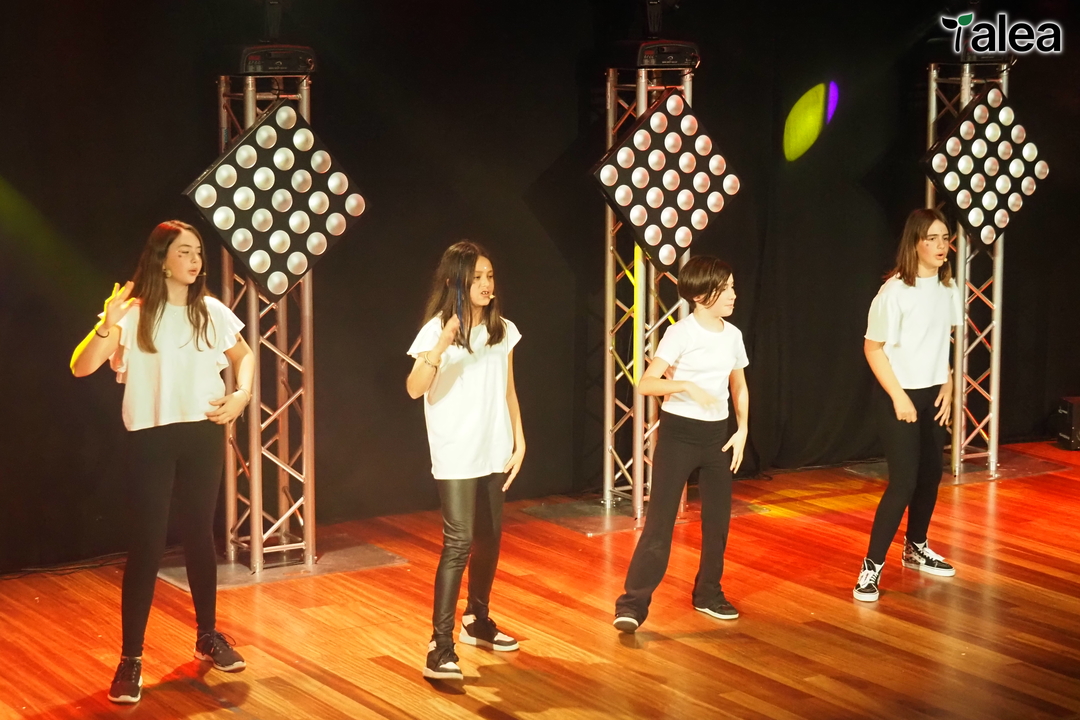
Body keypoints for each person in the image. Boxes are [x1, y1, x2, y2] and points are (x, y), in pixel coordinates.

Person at [70, 220, 254, 703]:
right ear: (162, 259)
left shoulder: (211, 310)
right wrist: (107, 323)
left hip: (203, 431)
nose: (195, 261)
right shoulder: (133, 314)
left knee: (200, 535)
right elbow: (82, 366)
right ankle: (131, 658)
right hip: (151, 435)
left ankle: (208, 634)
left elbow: (245, 354)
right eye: (184, 252)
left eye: (198, 253)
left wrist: (242, 394)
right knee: (148, 545)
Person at [405, 241, 525, 680]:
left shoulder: (502, 330)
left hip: (494, 446)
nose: (486, 284)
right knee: (458, 542)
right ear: (455, 281)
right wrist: (441, 346)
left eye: (489, 276)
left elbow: (508, 389)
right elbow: (414, 388)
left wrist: (520, 439)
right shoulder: (436, 331)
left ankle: (477, 620)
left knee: (489, 539)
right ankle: (440, 646)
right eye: (476, 278)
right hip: (456, 449)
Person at [613, 255, 749, 633]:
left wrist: (742, 429)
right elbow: (647, 383)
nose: (733, 295)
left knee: (717, 523)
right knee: (660, 524)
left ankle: (708, 593)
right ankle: (632, 604)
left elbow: (739, 385)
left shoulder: (733, 336)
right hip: (679, 437)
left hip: (717, 439)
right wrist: (686, 385)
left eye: (733, 287)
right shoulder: (681, 333)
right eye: (725, 289)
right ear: (702, 296)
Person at [853, 208, 961, 603]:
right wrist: (899, 397)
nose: (940, 246)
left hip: (932, 393)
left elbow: (940, 340)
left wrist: (948, 381)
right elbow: (873, 349)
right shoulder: (894, 293)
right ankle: (870, 568)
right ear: (914, 244)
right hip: (898, 394)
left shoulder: (948, 289)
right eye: (931, 238)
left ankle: (916, 547)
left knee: (931, 475)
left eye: (945, 238)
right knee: (904, 482)